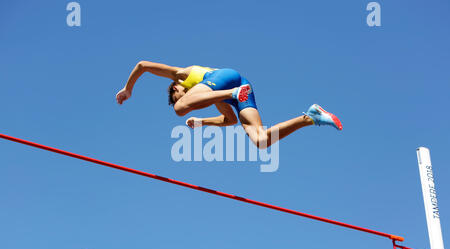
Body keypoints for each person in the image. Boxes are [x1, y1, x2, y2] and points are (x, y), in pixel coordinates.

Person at [116, 61, 342, 148]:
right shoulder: (214, 99)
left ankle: (234, 92)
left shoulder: (182, 76)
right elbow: (230, 120)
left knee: (178, 110)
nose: (187, 102)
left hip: (229, 82)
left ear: (176, 88)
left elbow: (142, 65)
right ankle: (311, 117)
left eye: (179, 95)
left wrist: (128, 88)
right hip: (238, 89)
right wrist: (202, 122)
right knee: (261, 141)